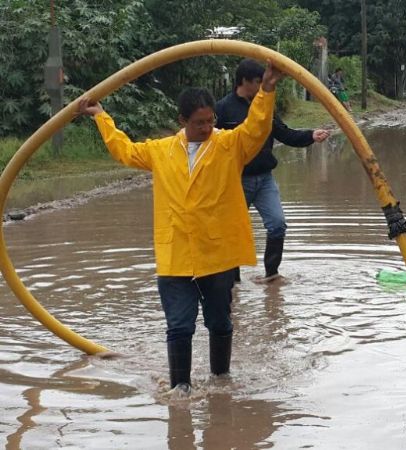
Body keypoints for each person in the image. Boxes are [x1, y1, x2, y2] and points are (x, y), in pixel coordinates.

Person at [77, 62, 285, 394]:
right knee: (178, 326)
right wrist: (100, 116)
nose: (207, 128)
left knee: (219, 322)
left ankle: (220, 382)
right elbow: (124, 150)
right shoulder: (161, 151)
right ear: (182, 122)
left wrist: (268, 88)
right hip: (175, 254)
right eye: (199, 123)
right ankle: (180, 389)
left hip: (216, 254)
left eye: (210, 121)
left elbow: (257, 127)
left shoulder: (230, 146)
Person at [216, 59, 331, 283]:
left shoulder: (265, 104)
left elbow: (283, 133)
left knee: (277, 224)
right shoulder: (223, 109)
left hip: (264, 179)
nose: (263, 86)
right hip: (236, 180)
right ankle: (232, 282)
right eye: (259, 82)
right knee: (232, 232)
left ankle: (271, 275)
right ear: (244, 81)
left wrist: (310, 136)